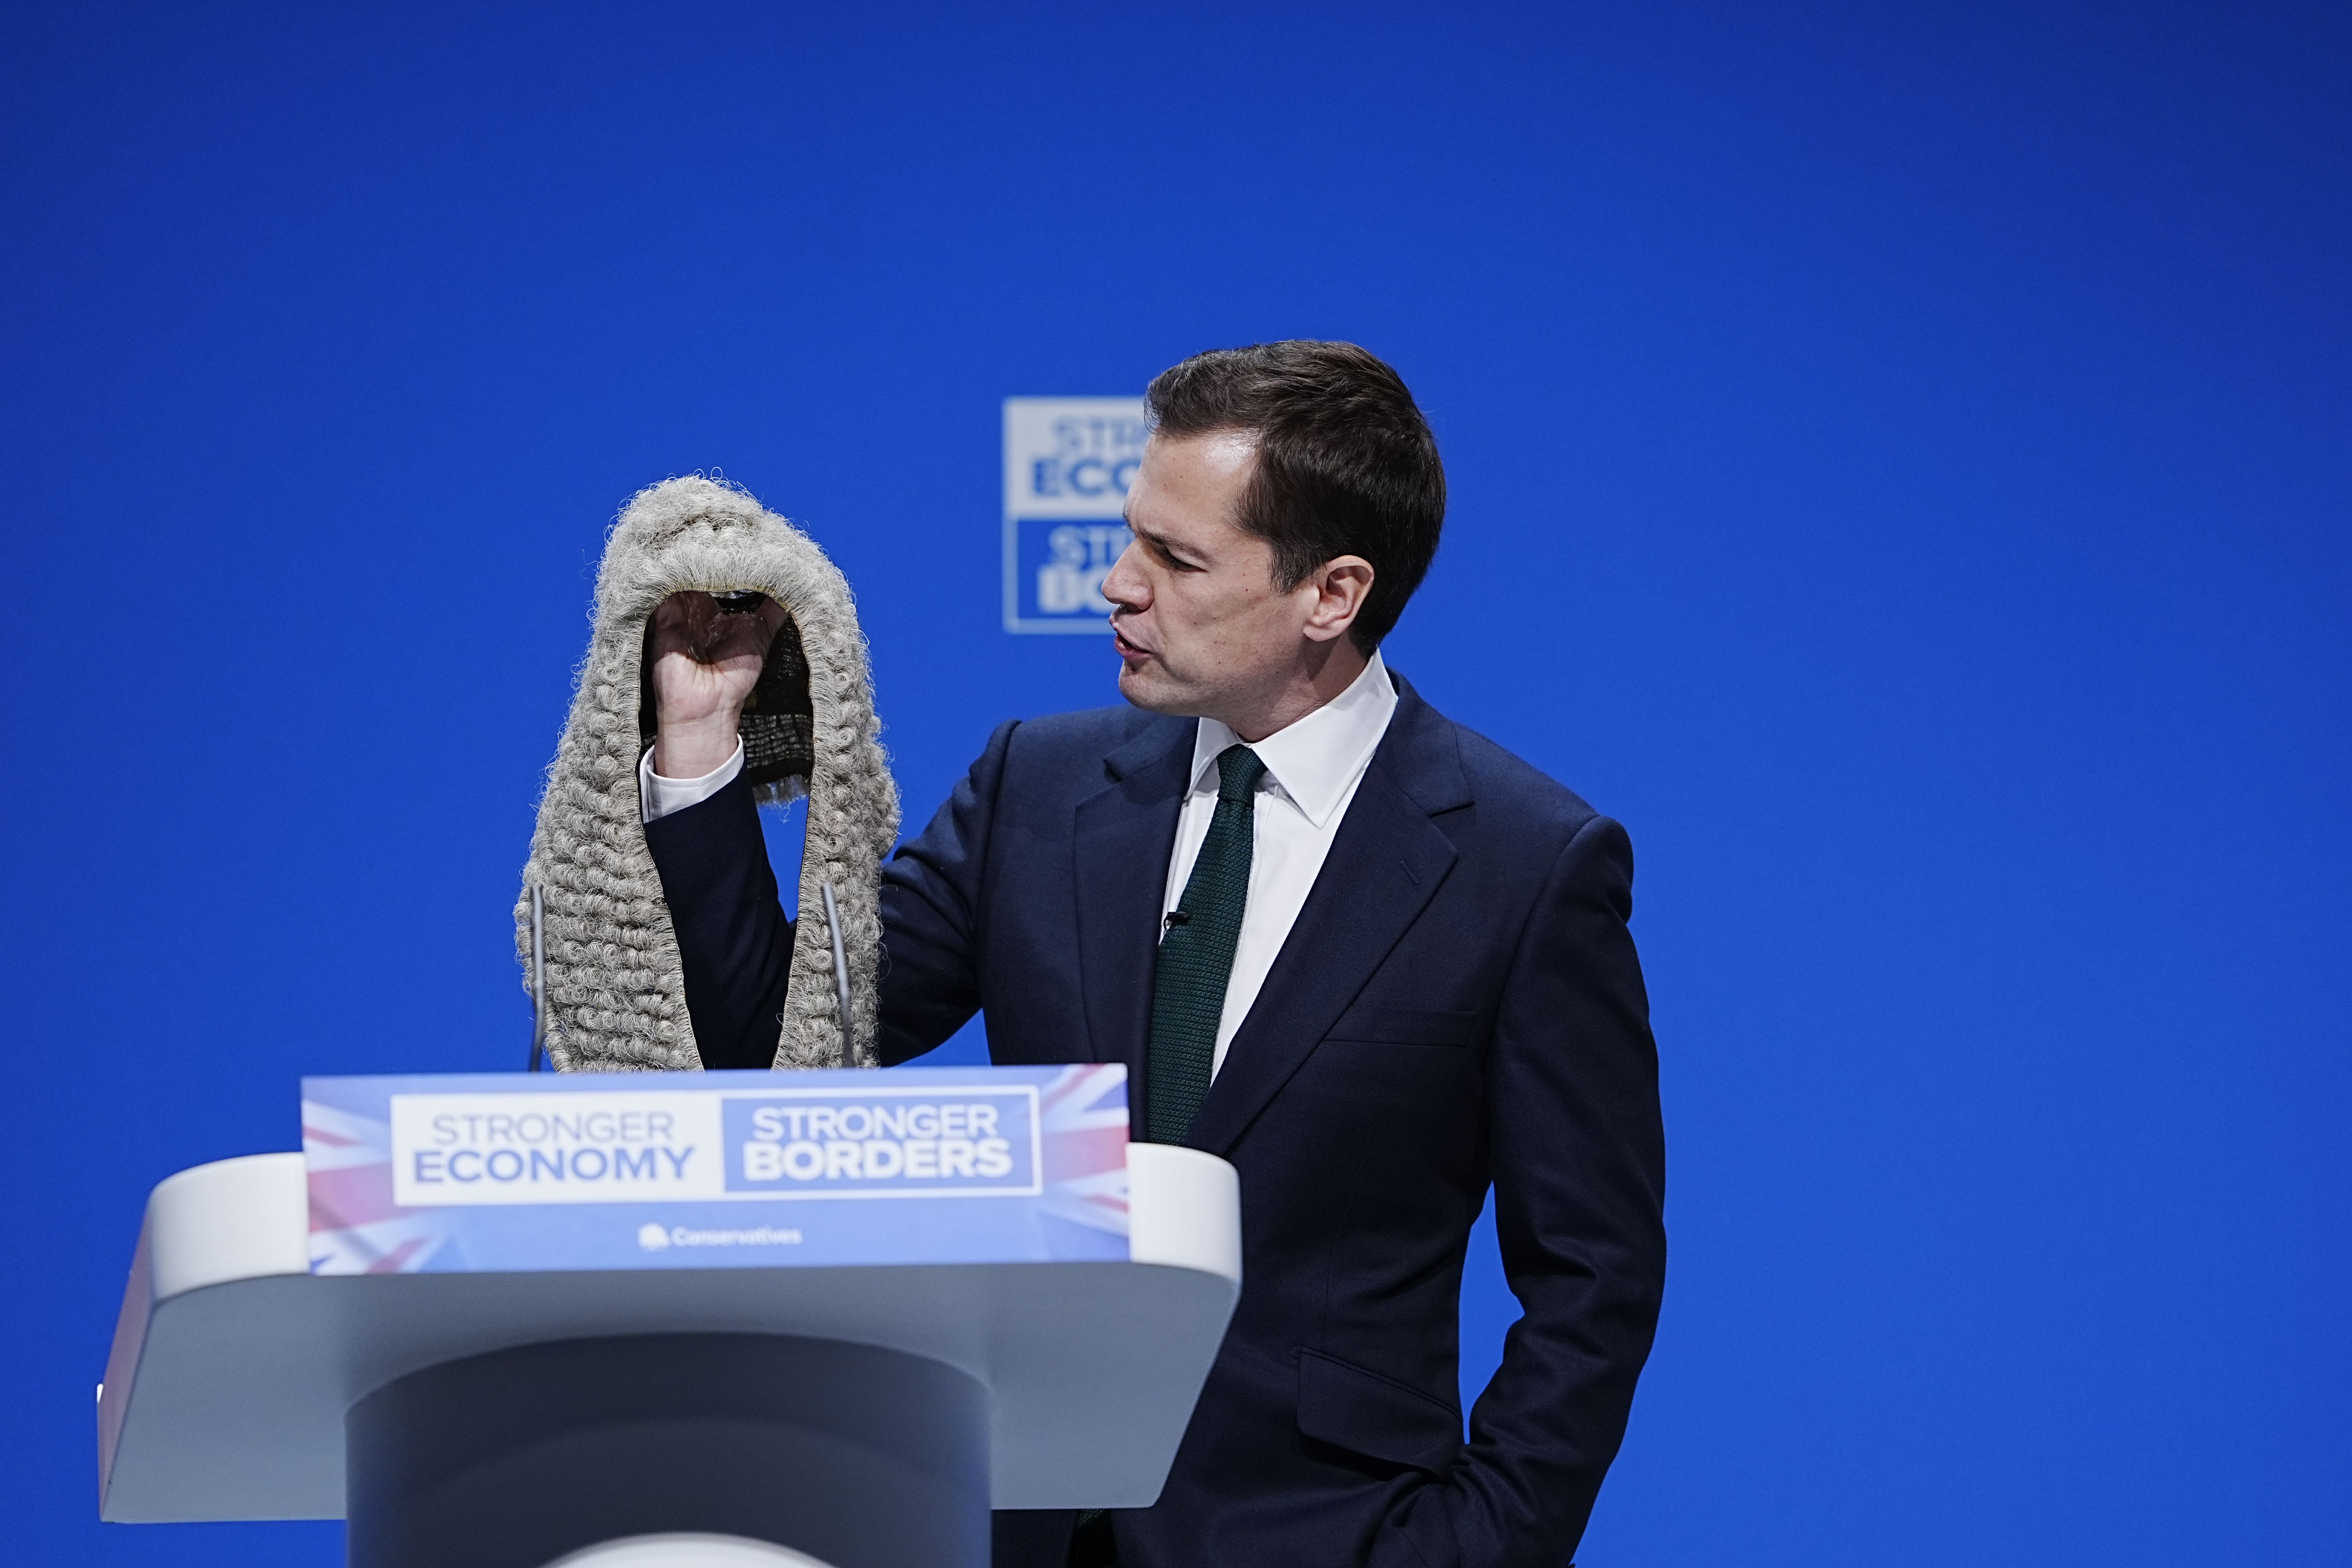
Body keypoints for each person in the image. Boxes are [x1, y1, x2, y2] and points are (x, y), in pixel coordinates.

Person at [639, 341, 1666, 1568]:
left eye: (1177, 560)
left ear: (1330, 595)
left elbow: (1593, 1282)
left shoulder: (1524, 862)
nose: (1118, 585)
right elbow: (775, 1042)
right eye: (1133, 537)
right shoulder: (1038, 786)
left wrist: (1470, 1549)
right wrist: (702, 745)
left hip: (1327, 1540)